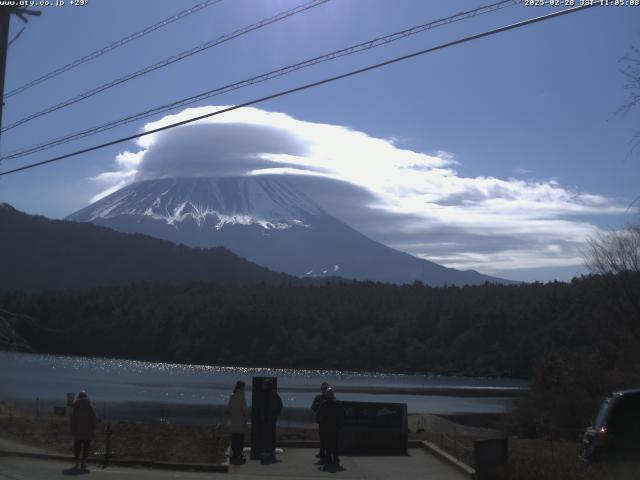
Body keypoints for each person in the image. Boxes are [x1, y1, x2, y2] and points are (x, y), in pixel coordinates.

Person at [70, 390, 97, 470]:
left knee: (77, 447)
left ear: (79, 397)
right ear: (86, 396)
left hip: (77, 431)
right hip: (88, 431)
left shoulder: (75, 406)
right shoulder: (89, 406)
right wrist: (94, 427)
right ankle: (84, 463)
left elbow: (72, 420)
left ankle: (77, 462)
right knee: (86, 448)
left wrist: (73, 430)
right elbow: (94, 418)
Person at [317, 388, 345, 465]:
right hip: (335, 427)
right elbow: (343, 414)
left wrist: (320, 422)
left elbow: (319, 415)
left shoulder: (324, 404)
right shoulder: (338, 403)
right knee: (335, 443)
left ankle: (328, 458)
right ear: (333, 395)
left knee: (327, 443)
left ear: (326, 395)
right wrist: (340, 424)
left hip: (326, 427)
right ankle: (336, 458)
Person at [259, 379, 282, 462]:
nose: (262, 386)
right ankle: (269, 451)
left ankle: (269, 451)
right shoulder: (271, 393)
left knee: (269, 435)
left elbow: (276, 405)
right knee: (269, 434)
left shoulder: (271, 394)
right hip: (269, 417)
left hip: (269, 418)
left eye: (264, 385)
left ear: (267, 385)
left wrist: (272, 415)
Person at [228, 380, 248, 463]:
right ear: (242, 387)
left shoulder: (232, 396)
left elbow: (229, 408)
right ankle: (239, 453)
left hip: (234, 419)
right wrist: (246, 415)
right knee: (240, 437)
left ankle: (234, 452)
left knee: (234, 437)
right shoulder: (242, 396)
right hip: (241, 420)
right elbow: (244, 409)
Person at [311, 382, 329, 459]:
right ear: (321, 389)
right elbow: (313, 408)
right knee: (322, 438)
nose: (324, 390)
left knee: (328, 438)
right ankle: (322, 453)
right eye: (323, 388)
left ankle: (327, 453)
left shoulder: (330, 398)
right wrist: (319, 408)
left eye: (325, 388)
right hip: (322, 421)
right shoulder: (318, 398)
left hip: (329, 421)